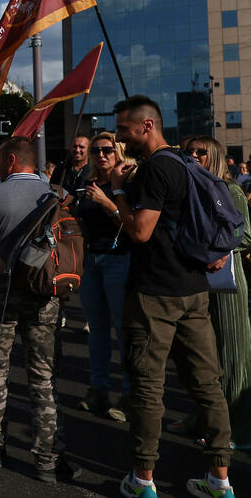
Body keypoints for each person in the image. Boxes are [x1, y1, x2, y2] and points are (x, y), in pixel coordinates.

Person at [108, 96, 234, 497]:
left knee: (147, 386)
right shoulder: (182, 161)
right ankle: (220, 481)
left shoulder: (156, 169)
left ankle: (143, 480)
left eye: (124, 129)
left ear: (147, 126)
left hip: (154, 294)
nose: (120, 138)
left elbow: (141, 231)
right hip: (194, 289)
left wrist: (116, 195)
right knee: (207, 386)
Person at [0, 136, 70, 483]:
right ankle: (46, 459)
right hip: (45, 295)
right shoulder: (55, 196)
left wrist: (9, 267)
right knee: (43, 377)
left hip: (1, 293)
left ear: (11, 160)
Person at [180, 136, 251, 451]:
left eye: (201, 152)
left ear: (217, 157)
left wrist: (217, 249)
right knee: (203, 358)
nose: (194, 156)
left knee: (233, 354)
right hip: (196, 280)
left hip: (227, 281)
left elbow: (245, 233)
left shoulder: (230, 190)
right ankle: (204, 418)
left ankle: (237, 428)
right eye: (189, 152)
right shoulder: (192, 190)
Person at [74, 132, 132, 423]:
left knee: (123, 331)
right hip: (92, 261)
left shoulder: (128, 182)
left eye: (107, 149)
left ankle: (130, 394)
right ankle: (99, 389)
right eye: (96, 150)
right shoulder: (89, 184)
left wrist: (107, 203)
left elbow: (133, 225)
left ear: (118, 152)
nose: (101, 155)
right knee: (97, 330)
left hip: (119, 259)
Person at [50, 135, 91, 203]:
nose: (77, 150)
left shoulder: (93, 170)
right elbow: (52, 189)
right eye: (74, 146)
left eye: (81, 147)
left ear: (88, 149)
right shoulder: (61, 169)